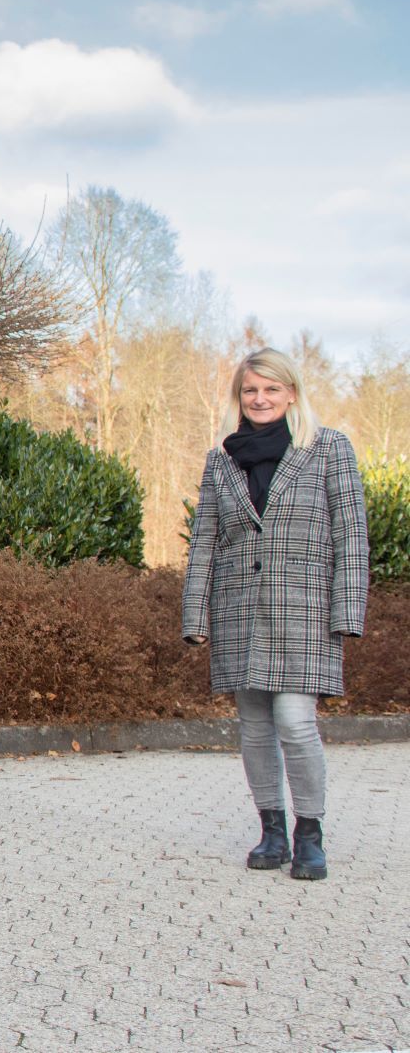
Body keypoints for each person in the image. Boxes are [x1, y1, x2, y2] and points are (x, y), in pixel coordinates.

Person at [183, 347, 368, 881]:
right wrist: (195, 613)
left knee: (294, 721)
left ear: (291, 393)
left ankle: (309, 833)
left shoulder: (328, 448)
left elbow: (352, 535)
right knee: (255, 727)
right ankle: (271, 830)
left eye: (270, 389)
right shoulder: (221, 458)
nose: (259, 399)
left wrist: (347, 609)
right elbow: (205, 541)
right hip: (241, 608)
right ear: (238, 397)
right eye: (249, 390)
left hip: (305, 611)